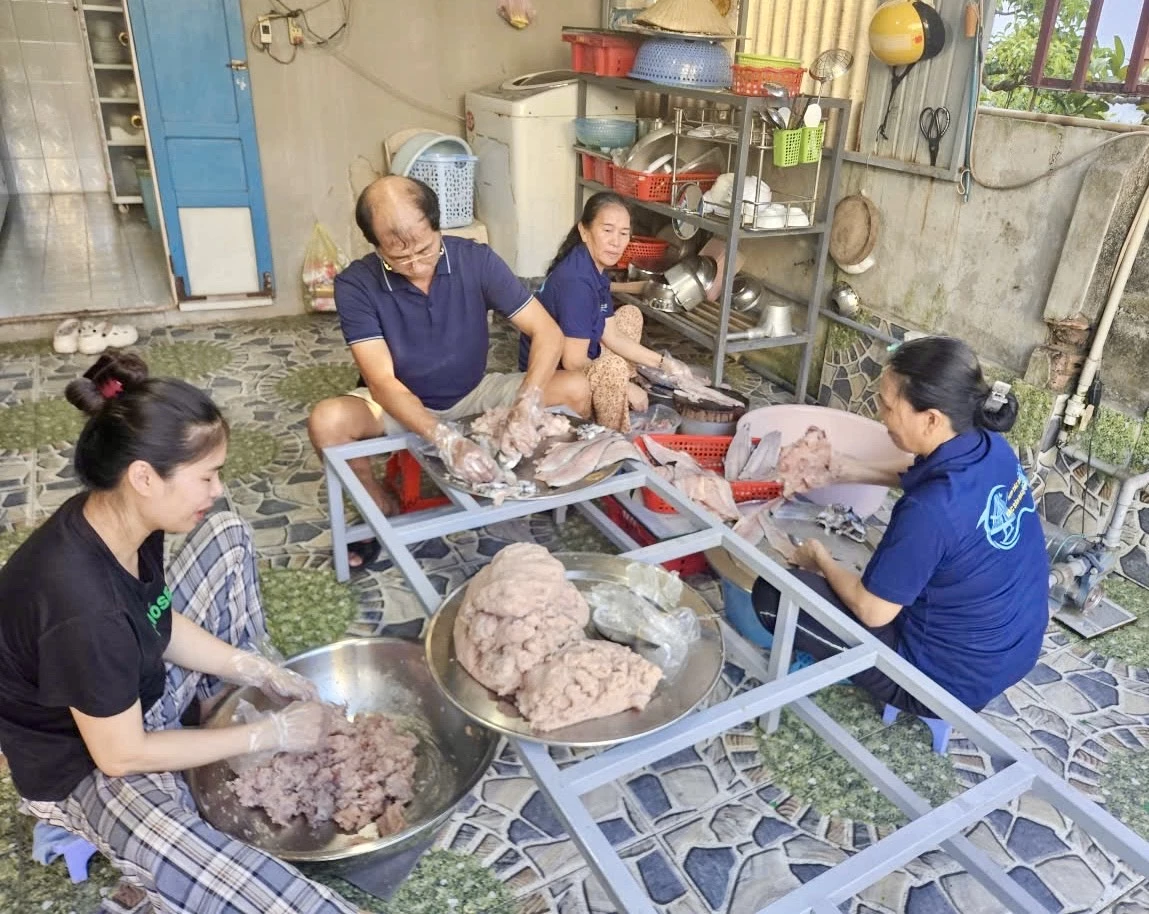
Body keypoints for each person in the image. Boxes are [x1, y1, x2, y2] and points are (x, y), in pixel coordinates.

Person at [0, 352, 365, 914]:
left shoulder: (120, 518)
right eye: (206, 475)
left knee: (224, 532)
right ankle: (181, 806)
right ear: (144, 476)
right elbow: (121, 755)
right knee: (276, 901)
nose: (217, 487)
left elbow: (156, 617)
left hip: (126, 686)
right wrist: (268, 736)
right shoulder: (81, 608)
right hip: (86, 763)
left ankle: (219, 714)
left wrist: (253, 668)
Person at [752, 336, 1050, 716]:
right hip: (1011, 653)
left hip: (943, 685)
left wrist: (821, 559)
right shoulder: (991, 447)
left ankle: (839, 664)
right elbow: (931, 478)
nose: (881, 414)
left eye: (888, 406)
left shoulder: (928, 512)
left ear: (930, 419)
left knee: (774, 595)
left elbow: (872, 611)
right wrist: (848, 470)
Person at [309, 176, 590, 569]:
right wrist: (444, 438)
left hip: (472, 391)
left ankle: (541, 484)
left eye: (425, 249)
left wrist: (527, 403)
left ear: (438, 227)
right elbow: (383, 382)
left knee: (575, 387)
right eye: (397, 256)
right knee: (327, 422)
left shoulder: (475, 260)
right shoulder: (356, 284)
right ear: (375, 246)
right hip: (399, 402)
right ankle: (379, 509)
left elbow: (547, 332)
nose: (416, 264)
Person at [518, 191, 694, 432]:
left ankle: (616, 395)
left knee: (630, 314)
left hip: (577, 356)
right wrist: (623, 386)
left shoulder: (593, 268)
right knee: (613, 369)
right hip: (549, 379)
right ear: (584, 231)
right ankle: (610, 435)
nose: (616, 242)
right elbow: (572, 361)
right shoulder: (576, 282)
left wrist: (665, 364)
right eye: (607, 230)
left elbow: (612, 335)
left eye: (624, 233)